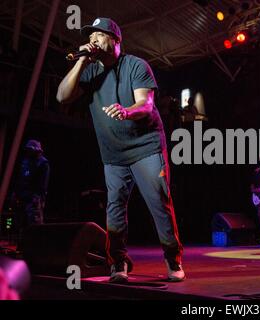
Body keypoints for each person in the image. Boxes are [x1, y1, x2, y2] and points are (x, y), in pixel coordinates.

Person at [56, 17, 184, 283]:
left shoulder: (136, 65)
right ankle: (118, 264)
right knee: (114, 208)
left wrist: (127, 112)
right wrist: (81, 61)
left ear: (114, 39)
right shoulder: (90, 71)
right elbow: (62, 97)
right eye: (89, 37)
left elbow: (146, 105)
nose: (92, 41)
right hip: (113, 154)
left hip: (146, 147)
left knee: (159, 203)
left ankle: (173, 258)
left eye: (98, 36)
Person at [11, 140, 49, 242]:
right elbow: (19, 179)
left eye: (30, 150)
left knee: (34, 225)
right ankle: (22, 245)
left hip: (33, 199)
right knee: (21, 224)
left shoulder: (43, 163)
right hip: (22, 198)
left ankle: (36, 246)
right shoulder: (25, 162)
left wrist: (38, 199)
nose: (28, 152)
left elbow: (42, 185)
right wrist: (16, 193)